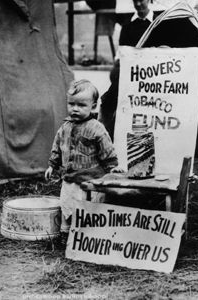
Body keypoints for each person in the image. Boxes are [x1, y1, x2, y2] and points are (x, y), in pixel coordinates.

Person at [45, 79, 120, 232]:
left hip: (90, 180)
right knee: (68, 204)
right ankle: (67, 233)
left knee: (88, 208)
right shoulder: (65, 127)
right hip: (70, 178)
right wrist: (52, 165)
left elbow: (107, 150)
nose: (75, 109)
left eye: (81, 105)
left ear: (93, 106)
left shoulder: (96, 128)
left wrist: (112, 168)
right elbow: (57, 147)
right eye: (71, 104)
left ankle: (87, 236)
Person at [99, 0, 154, 139]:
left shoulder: (157, 23)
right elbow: (122, 51)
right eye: (136, 1)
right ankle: (105, 133)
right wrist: (119, 62)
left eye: (142, 0)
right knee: (110, 97)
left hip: (152, 72)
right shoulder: (127, 26)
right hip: (130, 71)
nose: (139, 4)